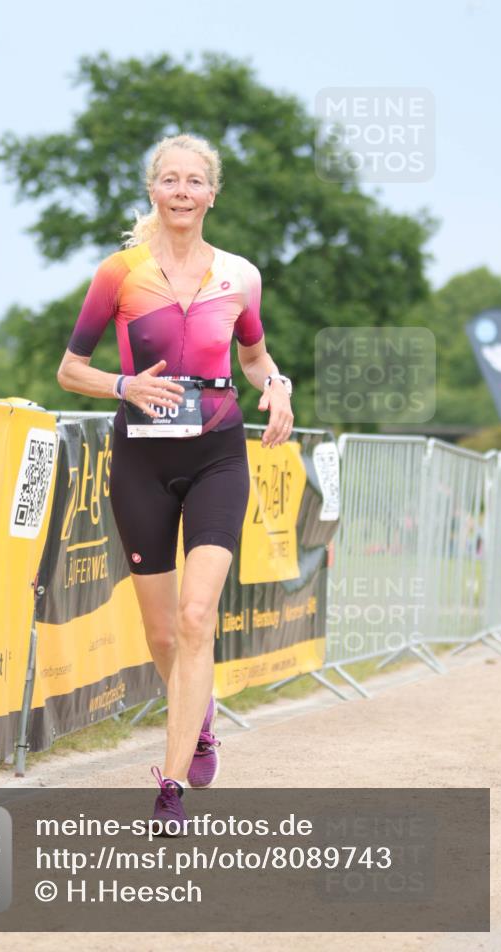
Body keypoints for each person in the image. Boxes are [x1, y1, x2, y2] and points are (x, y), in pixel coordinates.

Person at [56, 133, 293, 831]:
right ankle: (202, 722)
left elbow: (255, 357)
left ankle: (169, 785)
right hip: (141, 459)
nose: (182, 191)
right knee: (162, 634)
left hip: (218, 454)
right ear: (153, 191)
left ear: (212, 194)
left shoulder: (240, 276)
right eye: (170, 180)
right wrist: (124, 385)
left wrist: (278, 386)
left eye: (195, 181)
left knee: (196, 617)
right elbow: (70, 370)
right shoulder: (119, 273)